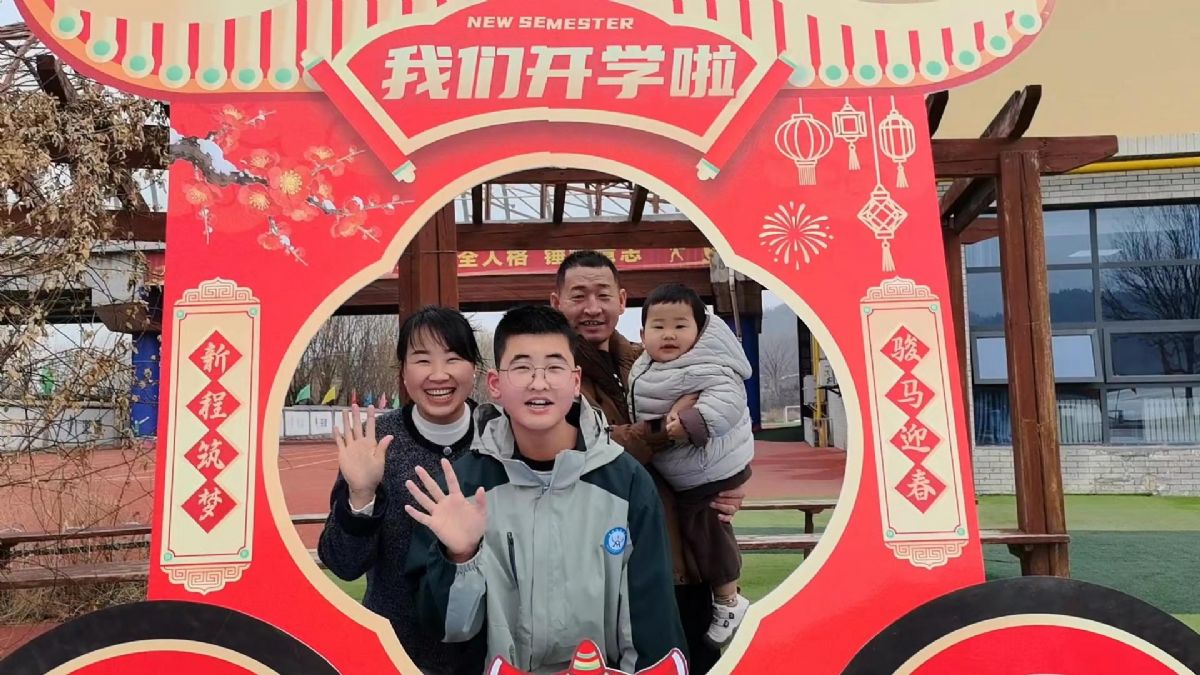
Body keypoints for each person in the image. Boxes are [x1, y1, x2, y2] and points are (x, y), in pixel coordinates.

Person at [404, 305, 685, 674]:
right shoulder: (464, 488)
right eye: (522, 368)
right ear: (495, 384)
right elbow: (448, 628)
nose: (539, 383)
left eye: (554, 367)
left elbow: (653, 626)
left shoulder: (625, 483)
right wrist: (460, 557)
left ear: (575, 381)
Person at [550, 250, 744, 673]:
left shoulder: (657, 358)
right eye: (578, 296)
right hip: (605, 567)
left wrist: (731, 480)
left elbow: (723, 409)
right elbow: (588, 446)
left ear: (622, 300)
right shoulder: (552, 376)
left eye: (603, 295)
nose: (592, 308)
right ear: (556, 302)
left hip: (685, 560)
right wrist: (666, 429)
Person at [317, 306, 487, 675]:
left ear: (474, 367)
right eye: (422, 360)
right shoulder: (375, 442)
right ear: (403, 373)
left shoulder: (502, 435)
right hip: (396, 654)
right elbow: (343, 565)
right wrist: (361, 496)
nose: (438, 374)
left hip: (488, 655)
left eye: (453, 358)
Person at [629, 283, 754, 647]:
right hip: (689, 470)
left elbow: (727, 400)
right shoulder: (645, 365)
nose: (669, 334)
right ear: (643, 334)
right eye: (659, 326)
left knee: (707, 527)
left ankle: (729, 599)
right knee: (698, 526)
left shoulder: (706, 364)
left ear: (699, 332)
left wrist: (692, 422)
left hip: (707, 467)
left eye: (680, 326)